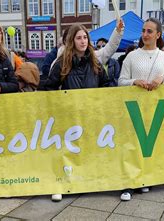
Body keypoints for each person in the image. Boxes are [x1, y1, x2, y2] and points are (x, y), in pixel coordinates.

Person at [41, 24, 109, 202]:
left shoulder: (95, 62)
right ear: (72, 40)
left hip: (90, 115)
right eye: (79, 38)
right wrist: (62, 103)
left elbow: (107, 85)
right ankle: (60, 185)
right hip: (68, 116)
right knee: (65, 151)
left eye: (85, 37)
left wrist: (97, 101)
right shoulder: (61, 62)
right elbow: (48, 88)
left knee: (87, 149)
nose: (83, 41)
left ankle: (85, 181)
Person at [118, 18, 164, 201]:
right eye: (143, 30)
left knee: (150, 145)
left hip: (155, 109)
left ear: (158, 35)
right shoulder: (132, 56)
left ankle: (145, 179)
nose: (145, 34)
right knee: (131, 145)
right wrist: (134, 81)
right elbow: (120, 82)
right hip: (134, 108)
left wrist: (162, 80)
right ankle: (128, 182)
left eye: (149, 31)